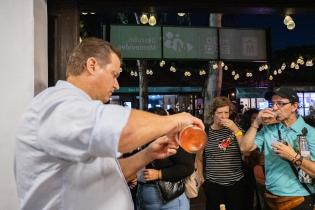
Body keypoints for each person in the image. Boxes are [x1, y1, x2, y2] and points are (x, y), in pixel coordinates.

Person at [14, 37, 204, 210]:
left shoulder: (78, 109)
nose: (117, 85)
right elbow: (124, 132)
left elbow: (113, 172)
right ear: (92, 65)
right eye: (114, 74)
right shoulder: (60, 103)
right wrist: (175, 120)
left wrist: (148, 153)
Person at [241, 87, 315, 209]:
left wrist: (293, 156)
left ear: (294, 106)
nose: (275, 108)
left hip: (300, 198)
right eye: (273, 104)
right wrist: (256, 123)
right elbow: (245, 148)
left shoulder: (311, 133)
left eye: (280, 104)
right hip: (271, 197)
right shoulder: (268, 129)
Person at [136, 107, 194, 210]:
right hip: (143, 196)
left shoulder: (172, 139)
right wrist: (133, 176)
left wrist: (159, 174)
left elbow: (187, 167)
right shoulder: (142, 138)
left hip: (171, 200)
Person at [198, 96, 248, 210]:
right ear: (213, 113)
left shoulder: (237, 129)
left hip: (236, 183)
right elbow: (199, 158)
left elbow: (245, 150)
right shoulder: (205, 132)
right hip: (213, 184)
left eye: (226, 112)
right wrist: (201, 177)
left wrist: (236, 130)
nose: (223, 116)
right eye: (219, 112)